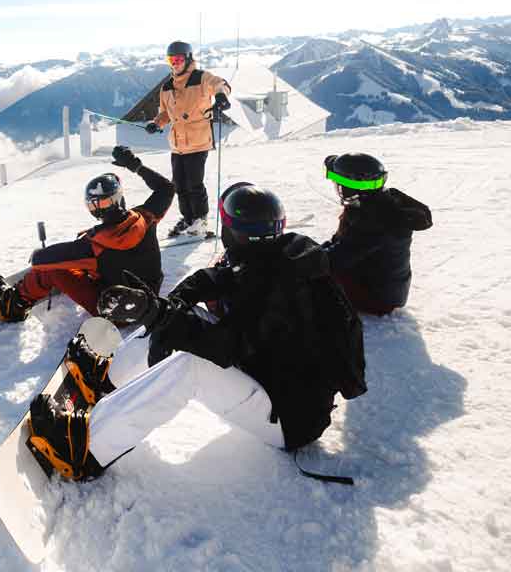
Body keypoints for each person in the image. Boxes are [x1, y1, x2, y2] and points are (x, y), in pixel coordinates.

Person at [24, 184, 366, 481]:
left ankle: (84, 451)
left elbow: (224, 347)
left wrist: (157, 314)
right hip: (268, 373)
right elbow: (213, 279)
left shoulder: (281, 285)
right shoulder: (272, 254)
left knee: (191, 366)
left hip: (290, 415)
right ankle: (107, 379)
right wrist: (169, 304)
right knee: (177, 318)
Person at [0, 145, 174, 322]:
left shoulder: (91, 245)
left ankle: (13, 304)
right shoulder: (146, 217)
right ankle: (90, 272)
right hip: (150, 299)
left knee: (54, 269)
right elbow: (166, 188)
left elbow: (40, 260)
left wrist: (44, 255)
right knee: (93, 264)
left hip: (115, 312)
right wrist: (135, 166)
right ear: (119, 197)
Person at [296, 153, 432, 316]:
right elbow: (340, 244)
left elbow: (336, 259)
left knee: (308, 283)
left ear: (349, 187)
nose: (336, 187)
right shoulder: (376, 201)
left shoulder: (376, 220)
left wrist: (295, 264)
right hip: (385, 285)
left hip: (377, 298)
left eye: (338, 183)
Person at [144, 41, 232, 237]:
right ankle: (188, 219)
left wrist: (221, 97)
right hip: (177, 144)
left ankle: (200, 221)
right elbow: (165, 113)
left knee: (194, 183)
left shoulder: (200, 78)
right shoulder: (166, 87)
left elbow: (221, 84)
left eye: (178, 59)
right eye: (171, 60)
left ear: (188, 59)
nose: (175, 63)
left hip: (198, 140)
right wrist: (156, 123)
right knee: (179, 185)